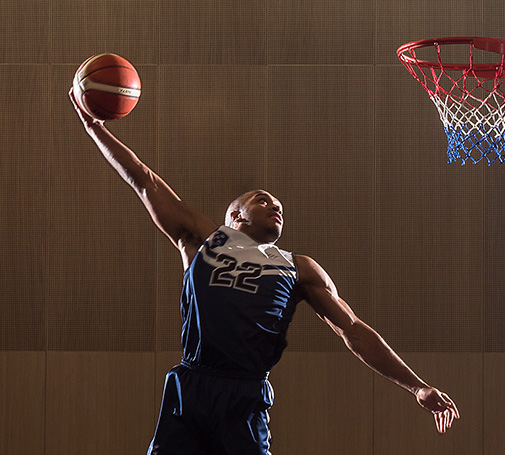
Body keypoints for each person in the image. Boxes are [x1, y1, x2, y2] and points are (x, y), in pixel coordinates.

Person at [69, 88, 460, 455]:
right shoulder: (201, 239)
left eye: (280, 207)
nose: (277, 206)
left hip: (245, 394)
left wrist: (416, 387)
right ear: (236, 215)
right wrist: (94, 128)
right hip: (191, 387)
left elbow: (354, 331)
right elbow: (142, 178)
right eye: (264, 200)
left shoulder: (298, 268)